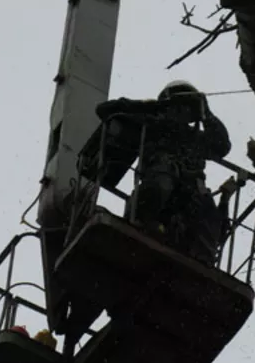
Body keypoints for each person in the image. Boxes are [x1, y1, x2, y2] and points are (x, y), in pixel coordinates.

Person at [94, 81, 234, 265]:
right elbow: (105, 110)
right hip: (157, 191)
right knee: (164, 179)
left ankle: (201, 255)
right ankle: (147, 225)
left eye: (187, 108)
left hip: (189, 199)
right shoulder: (152, 126)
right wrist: (154, 106)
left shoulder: (196, 139)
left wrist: (207, 113)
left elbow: (222, 145)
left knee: (207, 206)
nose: (182, 112)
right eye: (178, 106)